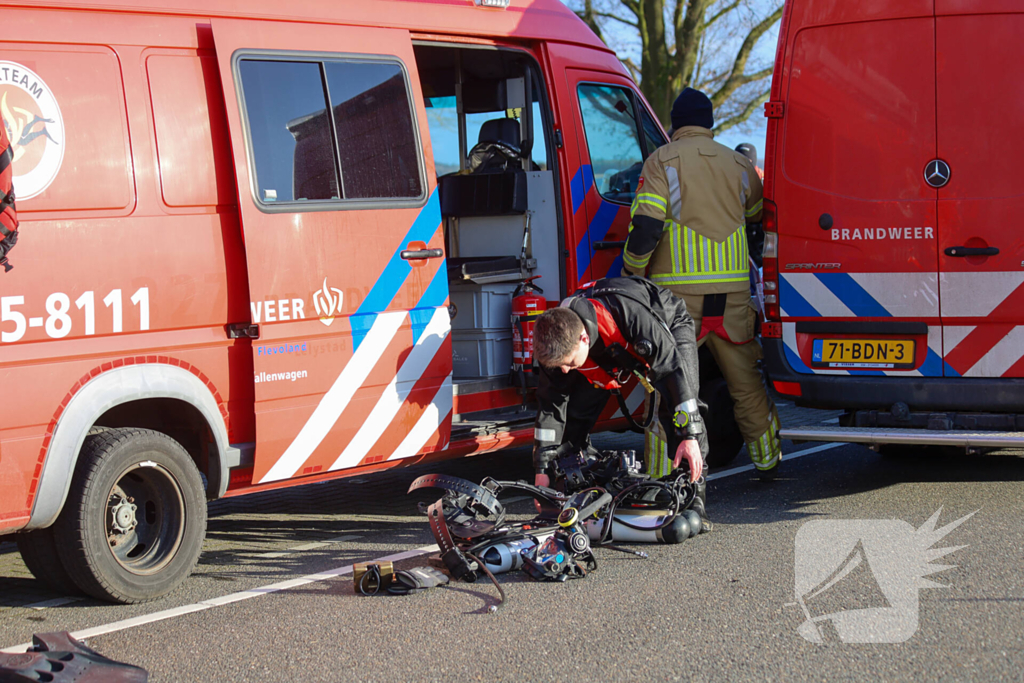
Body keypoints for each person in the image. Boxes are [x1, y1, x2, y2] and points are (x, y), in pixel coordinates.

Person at [622, 87, 782, 480]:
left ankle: (662, 477)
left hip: (677, 303)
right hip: (732, 299)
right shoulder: (739, 164)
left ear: (674, 124)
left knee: (670, 388)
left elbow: (646, 227)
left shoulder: (661, 161)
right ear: (709, 123)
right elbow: (758, 212)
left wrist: (631, 275)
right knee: (747, 385)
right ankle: (768, 462)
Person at [530, 276, 710, 524]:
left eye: (569, 363)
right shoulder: (556, 341)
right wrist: (543, 470)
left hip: (666, 326)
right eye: (559, 366)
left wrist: (689, 435)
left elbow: (673, 374)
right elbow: (550, 407)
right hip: (608, 347)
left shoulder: (633, 317)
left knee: (681, 405)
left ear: (584, 339)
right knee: (575, 413)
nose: (564, 370)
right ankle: (579, 484)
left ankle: (694, 496)